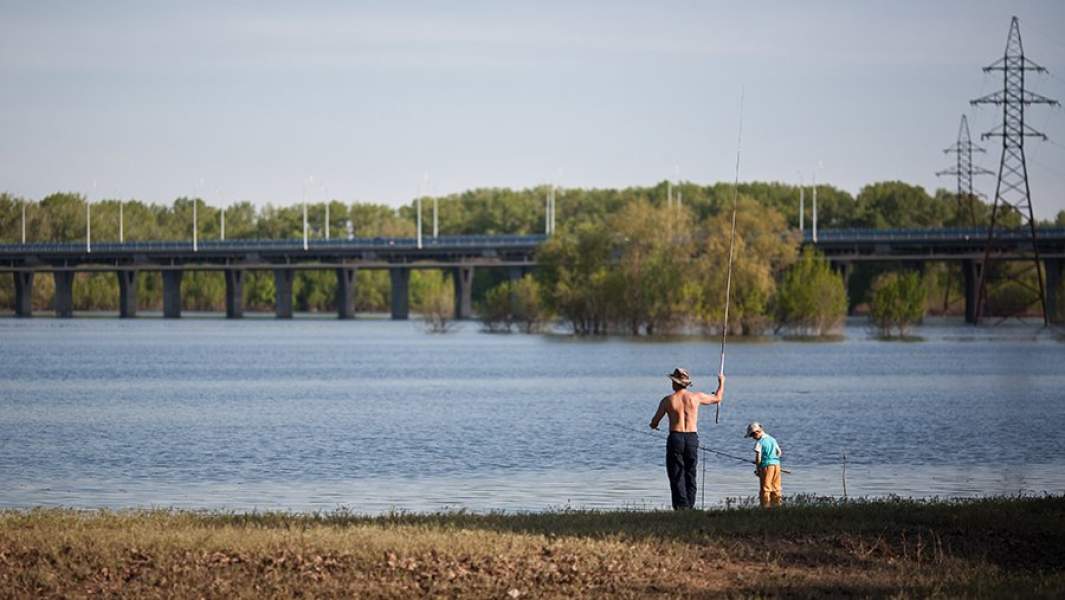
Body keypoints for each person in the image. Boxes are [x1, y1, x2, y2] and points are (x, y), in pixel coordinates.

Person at [649, 368, 725, 510]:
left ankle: (681, 506)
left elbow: (655, 421)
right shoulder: (696, 397)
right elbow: (718, 398)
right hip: (691, 438)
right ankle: (689, 505)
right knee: (691, 472)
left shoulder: (667, 400)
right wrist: (721, 382)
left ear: (675, 383)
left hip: (676, 437)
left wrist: (653, 426)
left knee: (676, 472)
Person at [746, 422, 783, 508]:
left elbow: (758, 459)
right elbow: (779, 453)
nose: (753, 438)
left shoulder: (759, 442)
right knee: (776, 487)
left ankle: (765, 507)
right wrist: (773, 460)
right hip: (777, 465)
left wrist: (758, 469)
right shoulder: (772, 439)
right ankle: (777, 506)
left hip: (766, 467)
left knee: (765, 488)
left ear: (756, 433)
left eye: (752, 436)